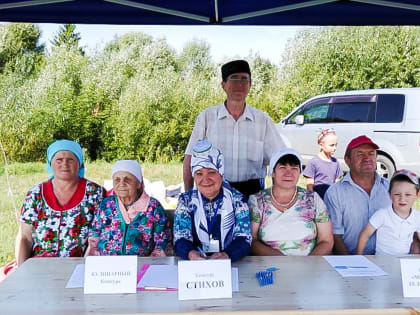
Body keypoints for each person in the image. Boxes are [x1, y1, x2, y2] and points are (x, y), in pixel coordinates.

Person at [183, 59, 283, 198]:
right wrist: (188, 196)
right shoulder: (207, 117)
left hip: (253, 196)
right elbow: (190, 158)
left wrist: (277, 198)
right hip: (214, 194)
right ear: (223, 85)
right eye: (234, 79)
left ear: (250, 85)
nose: (240, 84)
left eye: (244, 79)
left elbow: (278, 160)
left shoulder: (262, 120)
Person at [14, 139, 105, 266]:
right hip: (40, 265)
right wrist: (22, 270)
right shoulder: (36, 194)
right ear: (50, 163)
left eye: (71, 159)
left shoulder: (95, 193)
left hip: (80, 265)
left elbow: (103, 235)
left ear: (79, 163)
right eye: (59, 160)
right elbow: (25, 238)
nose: (65, 164)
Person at [174, 139, 251, 262]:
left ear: (221, 173)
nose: (206, 179)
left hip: (230, 264)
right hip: (195, 266)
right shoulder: (186, 201)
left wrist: (227, 255)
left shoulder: (237, 200)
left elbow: (244, 238)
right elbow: (180, 237)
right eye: (199, 173)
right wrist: (190, 253)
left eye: (211, 172)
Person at [249, 148, 333, 256]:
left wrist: (310, 263)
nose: (289, 173)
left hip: (309, 266)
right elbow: (252, 240)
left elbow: (326, 241)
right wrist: (279, 258)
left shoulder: (312, 199)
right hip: (270, 267)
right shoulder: (258, 201)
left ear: (299, 173)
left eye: (294, 168)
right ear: (273, 173)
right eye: (282, 167)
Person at [86, 160, 172, 256]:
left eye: (127, 179)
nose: (122, 183)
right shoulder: (106, 205)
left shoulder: (153, 207)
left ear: (139, 183)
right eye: (117, 180)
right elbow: (94, 236)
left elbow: (162, 242)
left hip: (141, 266)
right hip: (106, 266)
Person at [324, 135, 392, 255]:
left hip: (388, 258)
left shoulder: (391, 188)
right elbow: (335, 236)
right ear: (347, 160)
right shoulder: (335, 193)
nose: (367, 158)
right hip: (351, 259)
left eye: (371, 153)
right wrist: (354, 264)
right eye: (360, 154)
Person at [356, 169, 420, 255]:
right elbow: (365, 235)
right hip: (382, 260)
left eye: (408, 194)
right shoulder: (382, 215)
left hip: (404, 260)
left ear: (417, 195)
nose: (402, 199)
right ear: (390, 195)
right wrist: (358, 257)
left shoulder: (417, 217)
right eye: (397, 194)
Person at [303, 128, 343, 200]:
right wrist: (310, 198)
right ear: (321, 145)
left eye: (336, 145)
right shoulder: (313, 162)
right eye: (331, 145)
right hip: (318, 198)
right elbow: (309, 183)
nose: (335, 148)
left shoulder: (335, 162)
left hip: (331, 198)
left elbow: (337, 182)